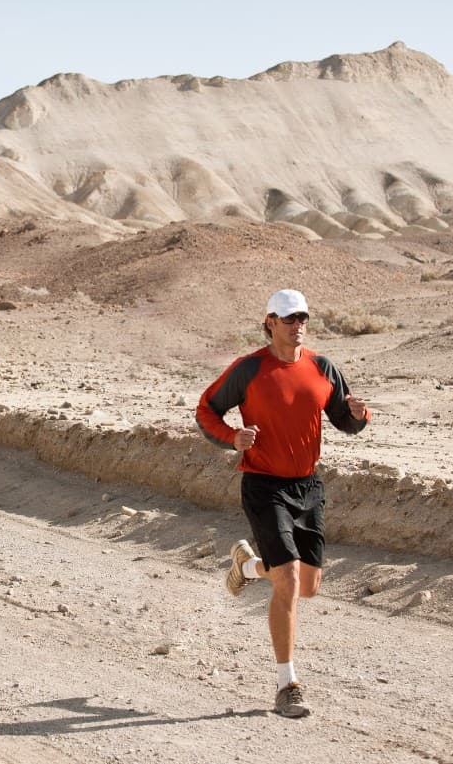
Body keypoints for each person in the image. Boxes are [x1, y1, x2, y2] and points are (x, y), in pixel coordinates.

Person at [195, 289, 370, 719]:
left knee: (307, 587)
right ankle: (286, 684)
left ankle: (249, 567)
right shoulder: (249, 368)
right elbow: (205, 410)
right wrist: (231, 438)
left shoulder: (322, 367)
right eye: (289, 318)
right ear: (270, 322)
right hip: (263, 485)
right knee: (289, 579)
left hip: (308, 488)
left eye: (303, 317)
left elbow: (343, 419)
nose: (298, 325)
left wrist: (360, 416)